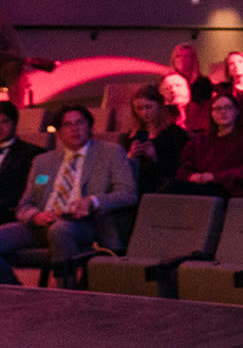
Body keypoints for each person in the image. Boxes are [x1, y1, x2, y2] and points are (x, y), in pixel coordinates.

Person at [0, 106, 138, 282]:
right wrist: (35, 216)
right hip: (42, 224)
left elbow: (128, 193)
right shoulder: (43, 161)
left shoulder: (110, 153)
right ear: (58, 133)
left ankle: (66, 295)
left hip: (85, 224)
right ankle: (19, 293)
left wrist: (93, 201)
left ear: (90, 127)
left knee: (60, 229)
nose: (74, 129)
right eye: (67, 125)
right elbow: (24, 205)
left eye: (79, 123)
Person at [170, 94, 243, 198]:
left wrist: (215, 177)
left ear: (237, 111)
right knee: (171, 187)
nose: (223, 112)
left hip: (231, 190)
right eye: (217, 109)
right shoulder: (200, 139)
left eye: (228, 107)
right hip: (201, 186)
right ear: (211, 114)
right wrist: (190, 176)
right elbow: (184, 168)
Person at [123, 86, 188, 194]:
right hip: (135, 184)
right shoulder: (130, 136)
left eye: (148, 107)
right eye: (139, 108)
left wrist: (154, 157)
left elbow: (178, 169)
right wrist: (130, 157)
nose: (144, 113)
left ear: (159, 106)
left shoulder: (174, 133)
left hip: (162, 186)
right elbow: (121, 171)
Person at [0, 103, 43, 213]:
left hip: (11, 211)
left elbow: (39, 188)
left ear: (15, 123)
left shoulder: (35, 153)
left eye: (5, 121)